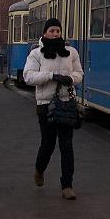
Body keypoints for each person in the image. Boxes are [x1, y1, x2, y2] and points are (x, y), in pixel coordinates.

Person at [23, 17, 84, 200]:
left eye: (58, 31)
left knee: (66, 146)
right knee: (48, 144)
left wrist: (71, 79)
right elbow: (28, 76)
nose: (55, 34)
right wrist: (51, 76)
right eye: (52, 31)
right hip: (46, 105)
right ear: (45, 33)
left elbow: (79, 73)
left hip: (66, 104)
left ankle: (67, 185)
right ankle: (39, 169)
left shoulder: (71, 52)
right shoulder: (36, 54)